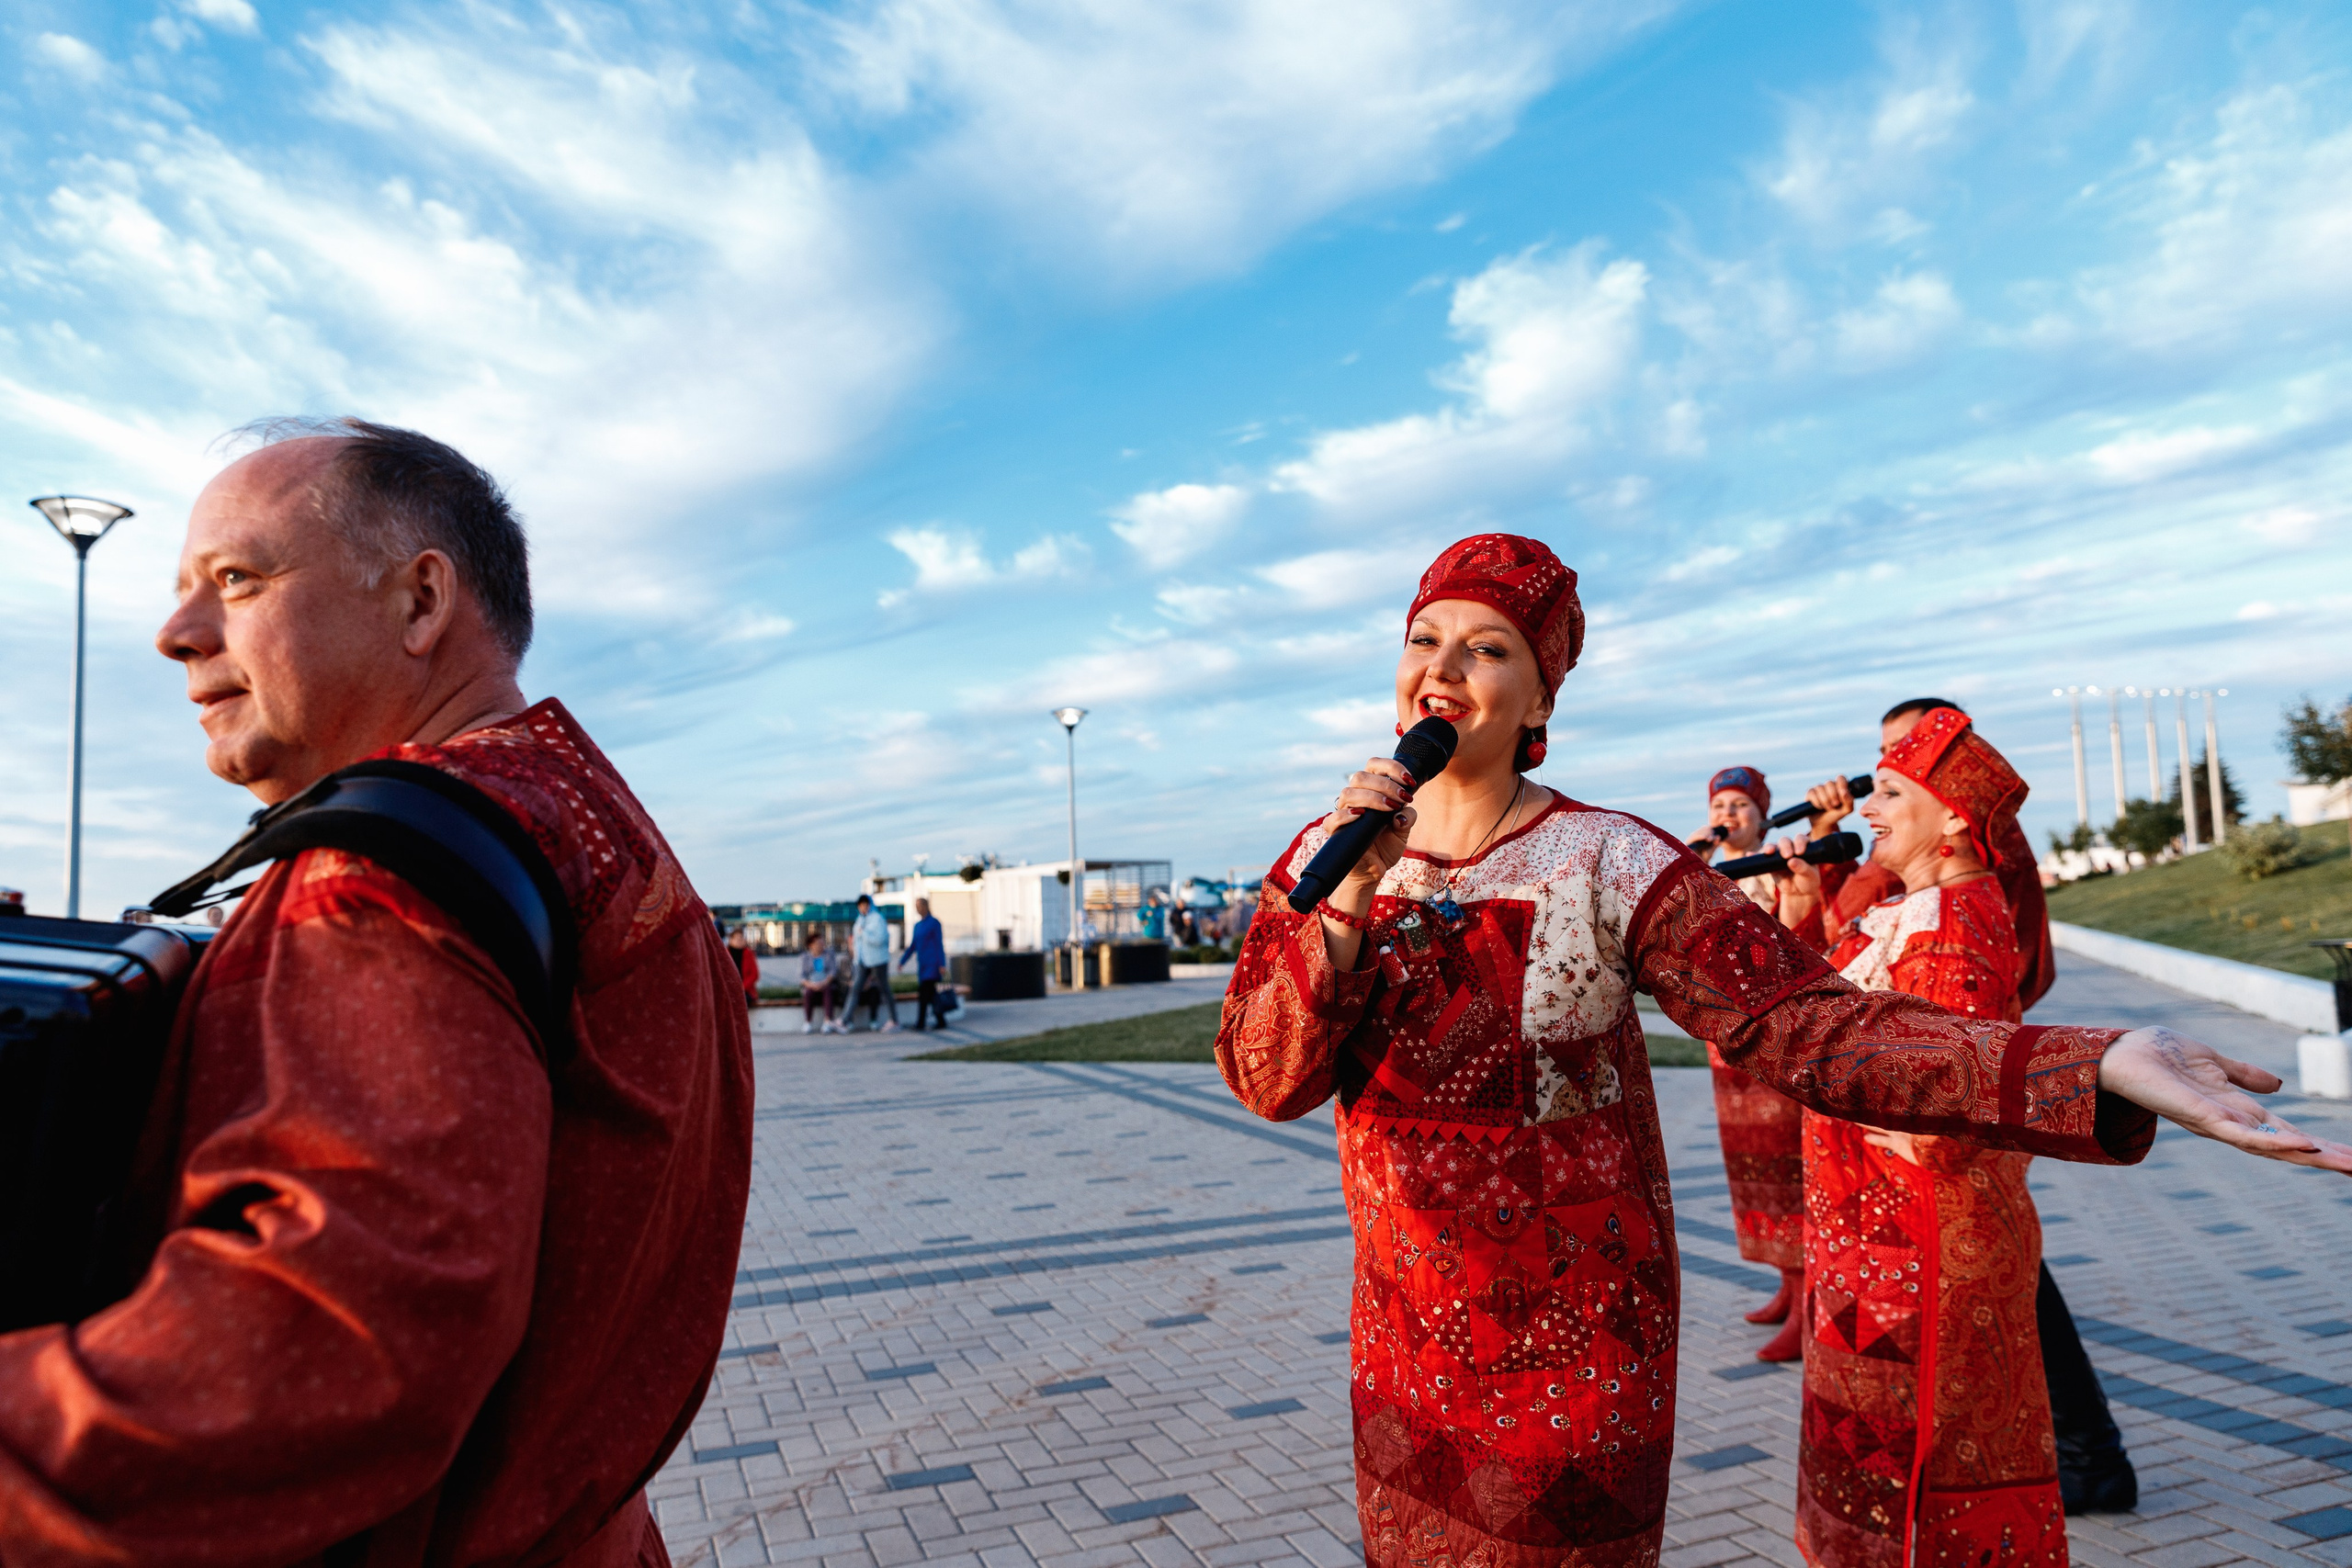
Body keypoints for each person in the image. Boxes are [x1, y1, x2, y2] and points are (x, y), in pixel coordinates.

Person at [1212, 532, 2346, 1568]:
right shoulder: (1326, 853)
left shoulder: (1611, 858)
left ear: (1540, 690)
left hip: (1576, 1339)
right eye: (1425, 640)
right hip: (1403, 1334)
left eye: (1488, 647)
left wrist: (2086, 1062)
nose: (1444, 669)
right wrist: (1348, 906)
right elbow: (1264, 1079)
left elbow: (1812, 1026)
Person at [0, 420, 753, 1565]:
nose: (173, 633)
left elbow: (330, 1355)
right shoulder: (595, 830)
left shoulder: (376, 882)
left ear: (420, 602)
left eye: (236, 581)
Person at [1797, 698, 2136, 1517]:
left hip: (1920, 1224)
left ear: (1948, 812)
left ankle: (2092, 1461)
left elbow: (1961, 1083)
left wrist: (1919, 1141)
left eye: (1889, 790)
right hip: (1887, 1220)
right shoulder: (1920, 903)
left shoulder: (1956, 913)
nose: (1867, 810)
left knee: (1935, 1457)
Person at [1691, 766, 1809, 1361]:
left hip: (1778, 1038)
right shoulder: (1705, 868)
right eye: (1722, 805)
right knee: (1755, 1170)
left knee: (1791, 1167)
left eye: (1741, 805)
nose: (1729, 815)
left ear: (1764, 813)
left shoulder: (1780, 864)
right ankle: (1786, 1284)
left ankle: (1811, 1298)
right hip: (1728, 1040)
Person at [899, 897, 952, 1032]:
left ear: (925, 906)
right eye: (916, 906)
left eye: (919, 906)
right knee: (932, 995)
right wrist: (902, 961)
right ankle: (940, 1020)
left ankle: (921, 1023)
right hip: (922, 965)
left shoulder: (934, 923)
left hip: (933, 965)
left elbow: (939, 944)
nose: (918, 909)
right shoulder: (918, 926)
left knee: (924, 993)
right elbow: (913, 946)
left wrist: (942, 964)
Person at [847, 893, 898, 1032]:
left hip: (878, 960)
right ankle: (845, 1020)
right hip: (863, 961)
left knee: (884, 989)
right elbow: (857, 942)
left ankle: (894, 1020)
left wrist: (864, 934)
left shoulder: (877, 919)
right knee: (855, 988)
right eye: (860, 905)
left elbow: (880, 939)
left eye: (865, 905)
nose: (863, 908)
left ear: (869, 905)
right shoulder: (859, 920)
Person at [800, 929, 842, 1033]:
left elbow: (833, 971)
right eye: (818, 943)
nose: (821, 945)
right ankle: (808, 1022)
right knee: (808, 993)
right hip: (812, 985)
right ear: (811, 945)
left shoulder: (829, 954)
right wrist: (811, 985)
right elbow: (801, 976)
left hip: (826, 983)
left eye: (822, 942)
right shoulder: (805, 957)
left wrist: (824, 982)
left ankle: (828, 1021)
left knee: (828, 991)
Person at [728, 927, 763, 1010]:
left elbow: (754, 974)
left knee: (741, 1000)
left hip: (746, 991)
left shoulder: (749, 954)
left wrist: (741, 988)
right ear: (731, 940)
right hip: (729, 991)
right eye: (737, 938)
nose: (739, 940)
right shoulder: (726, 954)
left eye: (741, 938)